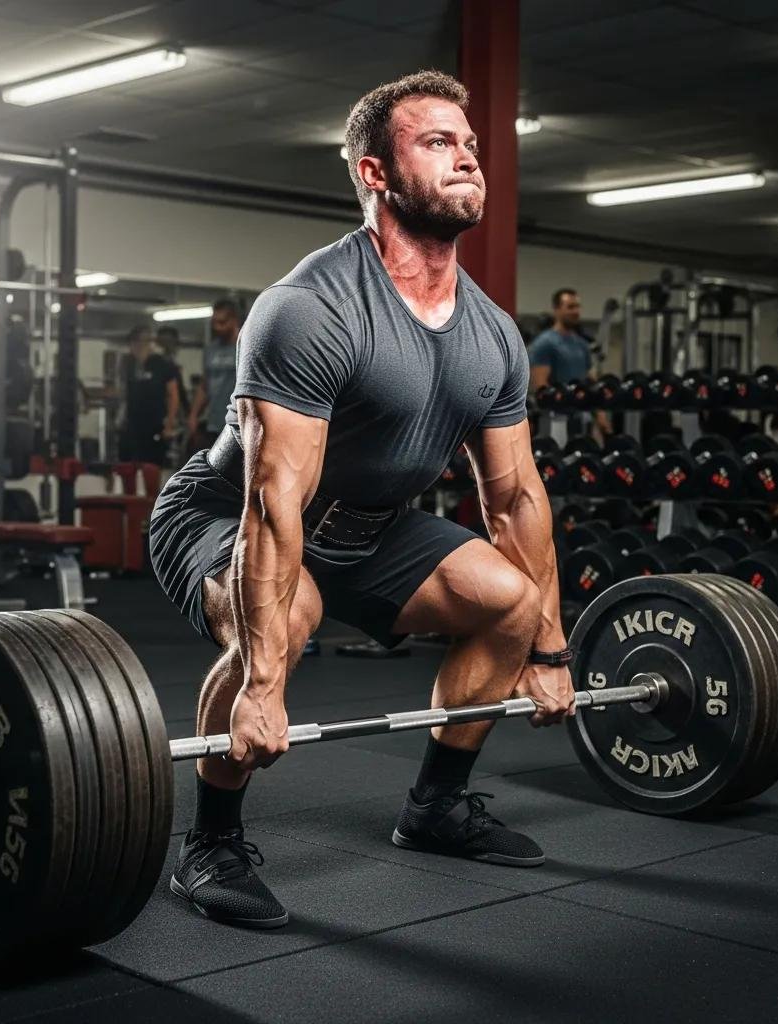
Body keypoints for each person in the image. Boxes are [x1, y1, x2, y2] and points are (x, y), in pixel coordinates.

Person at [150, 70, 574, 930]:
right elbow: (274, 503)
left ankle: (435, 806)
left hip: (372, 527)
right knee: (288, 611)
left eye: (471, 145)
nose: (466, 159)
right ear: (375, 173)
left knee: (509, 601)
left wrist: (551, 647)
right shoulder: (309, 309)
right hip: (224, 512)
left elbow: (517, 496)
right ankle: (212, 842)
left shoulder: (492, 334)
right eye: (437, 142)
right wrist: (263, 684)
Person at [528, 289, 611, 438]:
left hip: (581, 418)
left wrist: (600, 415)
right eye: (570, 307)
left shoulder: (582, 344)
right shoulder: (545, 343)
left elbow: (590, 382)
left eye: (578, 306)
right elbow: (541, 387)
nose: (576, 311)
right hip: (555, 420)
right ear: (557, 310)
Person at [118, 325, 180, 467]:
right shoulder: (129, 364)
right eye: (134, 343)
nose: (137, 347)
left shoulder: (161, 364)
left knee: (151, 466)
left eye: (141, 342)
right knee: (128, 465)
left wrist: (169, 423)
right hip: (132, 424)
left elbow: (173, 394)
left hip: (155, 424)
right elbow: (123, 392)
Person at [186, 299, 241, 451]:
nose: (217, 327)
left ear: (234, 320)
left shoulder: (246, 346)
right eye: (214, 322)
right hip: (213, 424)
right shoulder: (210, 350)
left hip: (238, 425)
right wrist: (194, 415)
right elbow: (205, 386)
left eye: (222, 322)